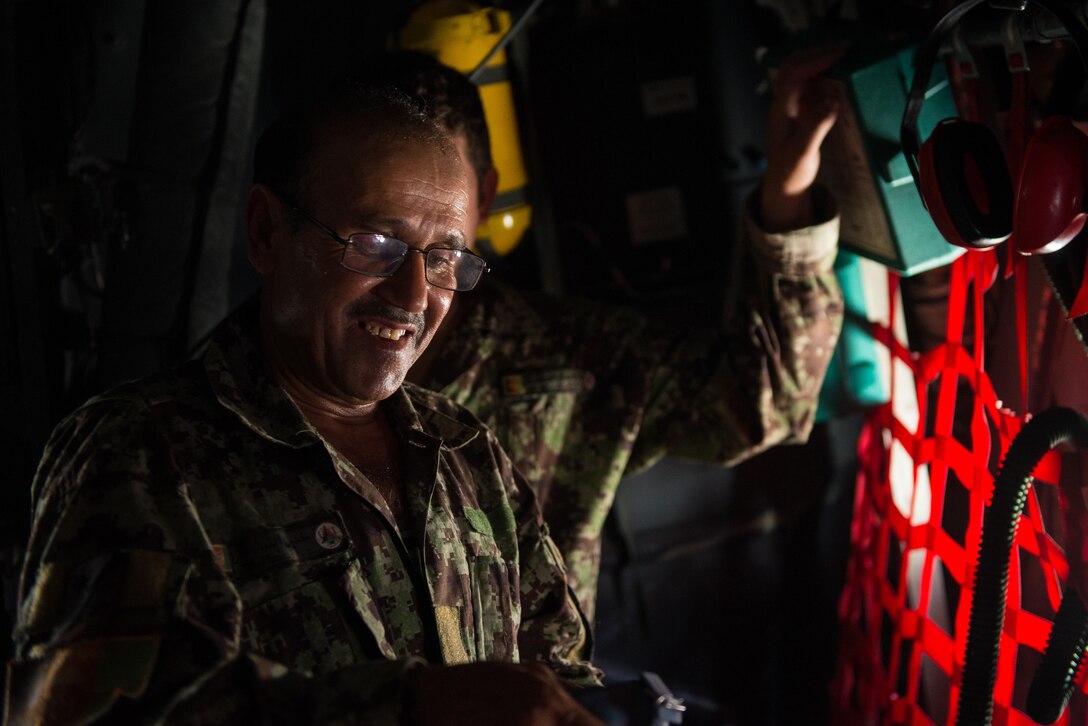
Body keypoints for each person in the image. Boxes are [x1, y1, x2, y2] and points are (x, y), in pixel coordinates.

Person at [6, 84, 604, 725]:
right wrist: (408, 708)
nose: (414, 295)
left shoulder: (464, 449)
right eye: (377, 244)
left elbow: (561, 676)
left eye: (446, 258)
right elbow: (87, 711)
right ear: (266, 232)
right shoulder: (142, 452)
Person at [359, 49, 847, 620]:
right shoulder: (296, 356)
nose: (414, 255)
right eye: (386, 209)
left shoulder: (566, 353)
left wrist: (788, 193)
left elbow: (765, 398)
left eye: (442, 201)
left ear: (484, 199)